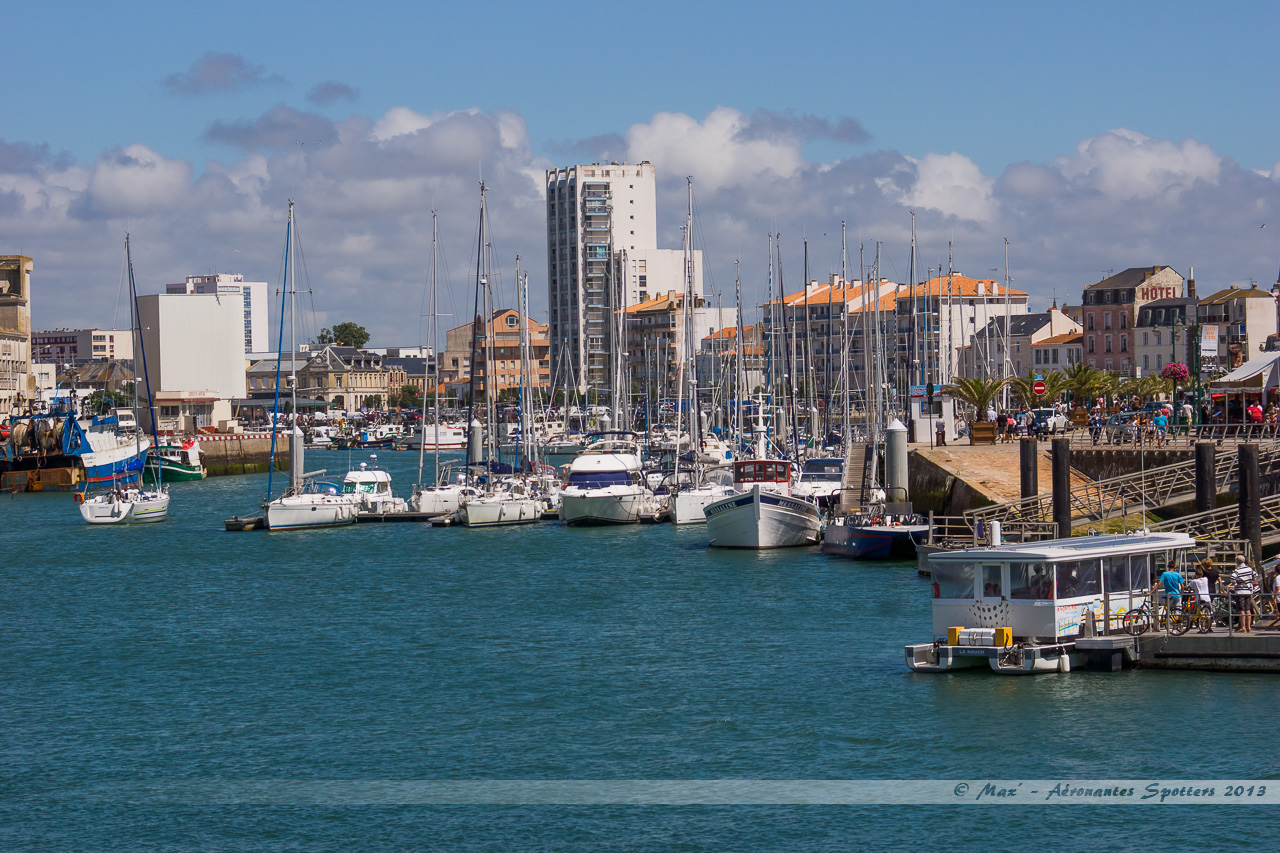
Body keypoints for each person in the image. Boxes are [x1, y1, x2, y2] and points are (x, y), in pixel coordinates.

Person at [1228, 554, 1259, 633]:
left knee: (1241, 609)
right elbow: (1256, 576)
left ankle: (1243, 627)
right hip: (1248, 591)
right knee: (1248, 609)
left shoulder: (1237, 570)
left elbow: (1232, 578)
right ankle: (1249, 627)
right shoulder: (1249, 569)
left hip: (1240, 591)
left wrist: (1235, 584)